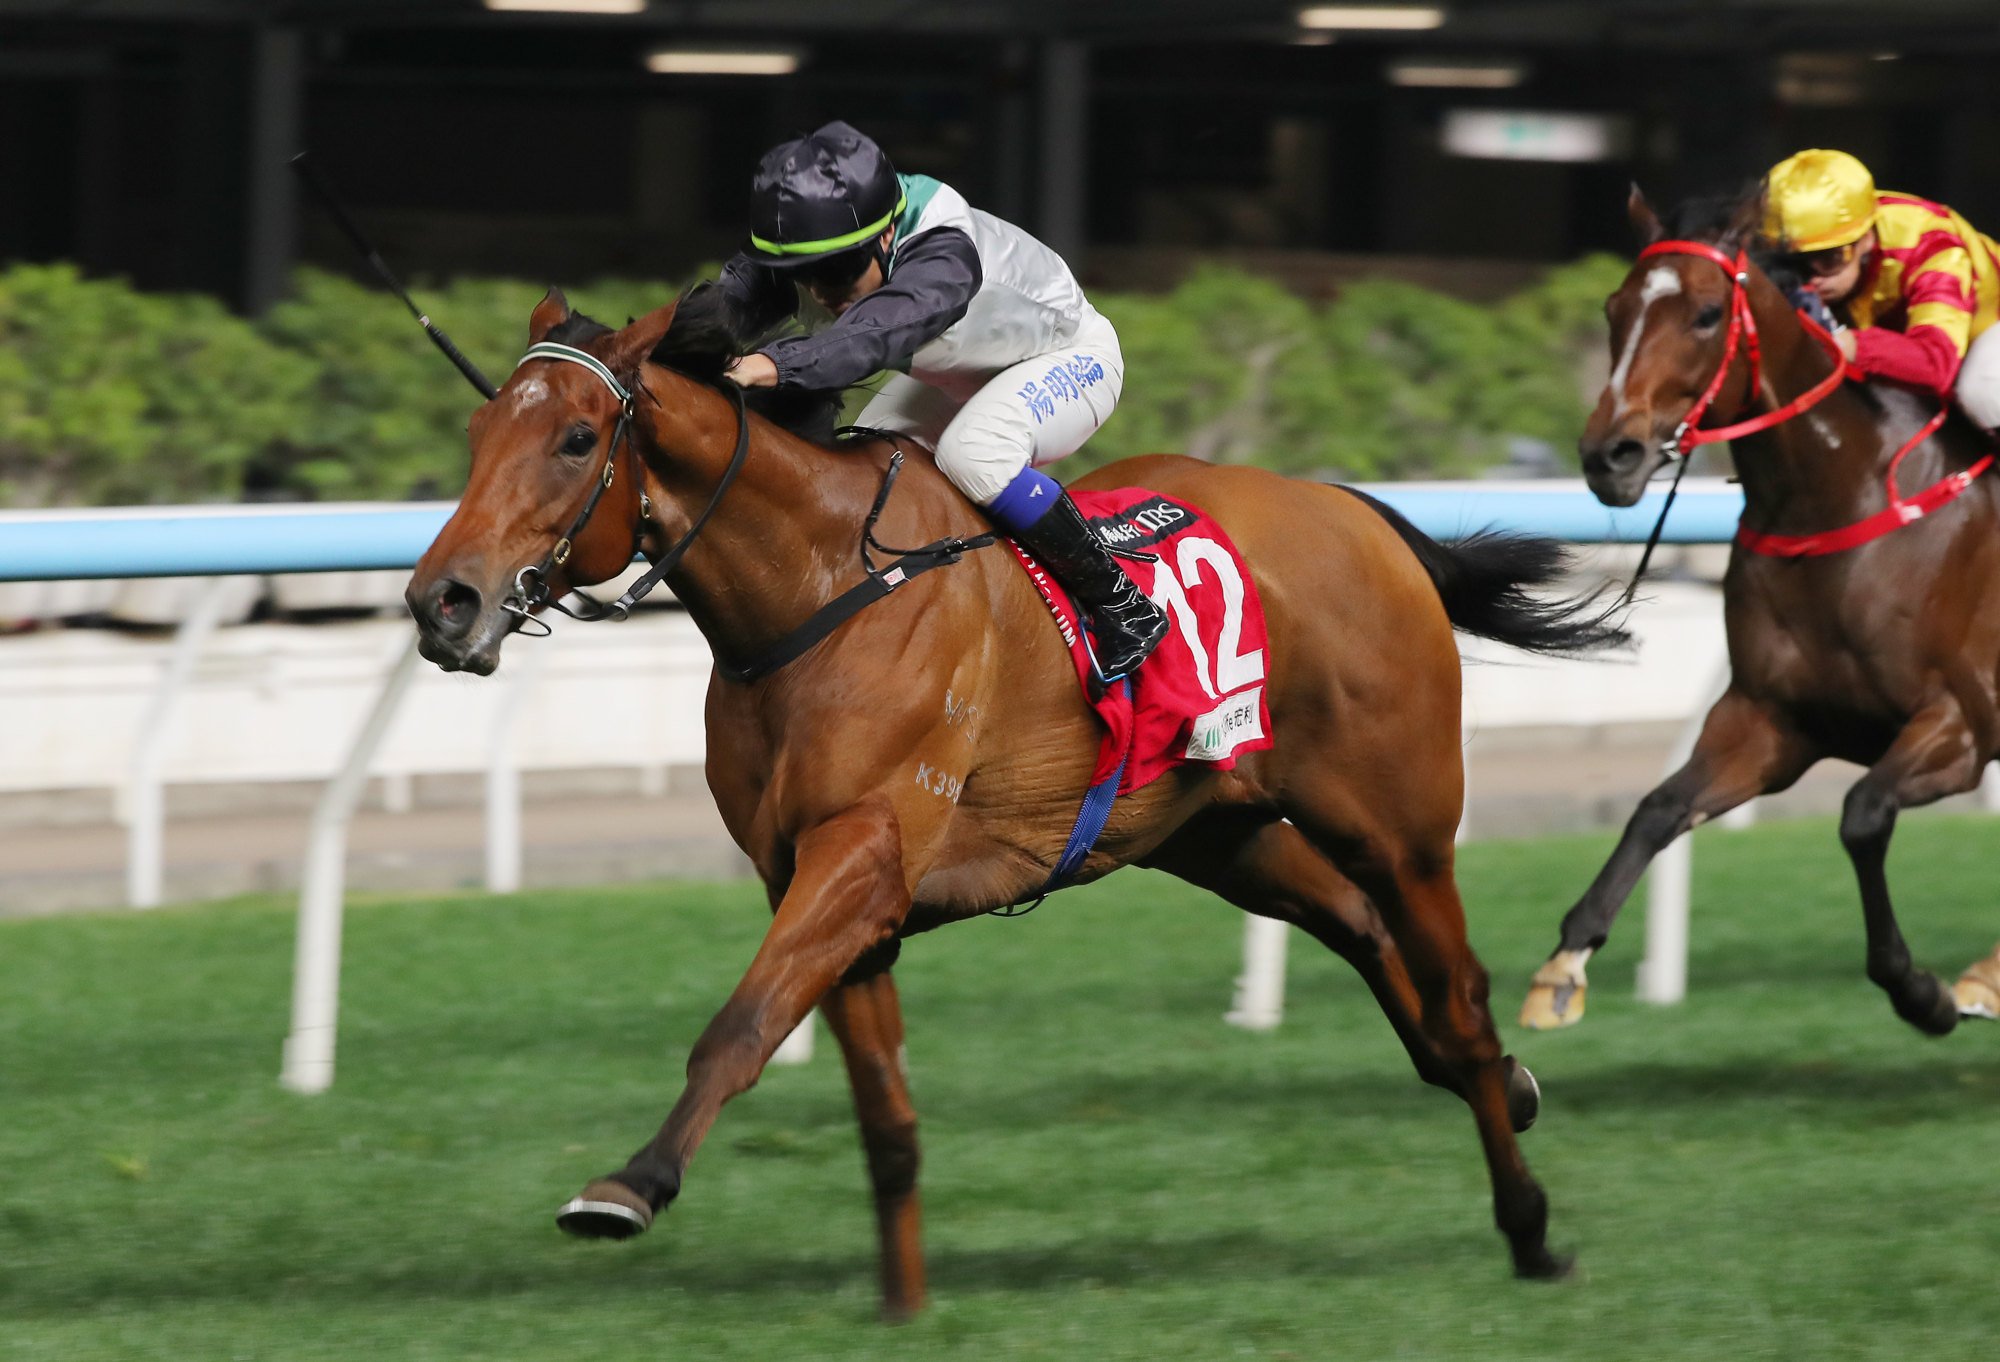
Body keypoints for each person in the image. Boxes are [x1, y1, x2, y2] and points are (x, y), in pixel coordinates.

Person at [714, 120, 1167, 683]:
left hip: (1073, 359)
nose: (822, 292)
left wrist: (770, 364)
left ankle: (1123, 605)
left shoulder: (944, 254)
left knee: (973, 452)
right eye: (802, 274)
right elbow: (730, 299)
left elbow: (876, 332)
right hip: (966, 373)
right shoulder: (846, 230)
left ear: (884, 237)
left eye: (835, 271)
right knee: (869, 461)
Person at [1763, 148, 2000, 433]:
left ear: (1866, 238)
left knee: (1982, 389)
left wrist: (1847, 344)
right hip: (1914, 335)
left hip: (1987, 329)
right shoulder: (1836, 241)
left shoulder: (1934, 249)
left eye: (1830, 258)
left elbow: (1935, 364)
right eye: (1796, 264)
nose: (1813, 280)